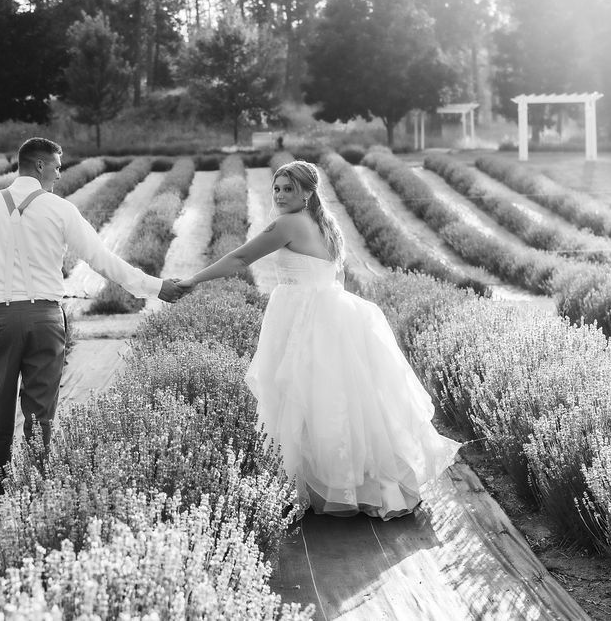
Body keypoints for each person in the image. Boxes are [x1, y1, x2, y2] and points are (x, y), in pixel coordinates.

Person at [177, 161, 460, 519]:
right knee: (336, 402)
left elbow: (242, 257)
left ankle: (311, 485)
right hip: (329, 313)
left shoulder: (289, 224)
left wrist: (191, 282)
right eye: (277, 188)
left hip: (303, 316)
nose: (279, 195)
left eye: (289, 189)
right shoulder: (325, 224)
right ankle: (356, 485)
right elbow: (332, 275)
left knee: (304, 399)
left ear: (307, 192)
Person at [0, 137, 186, 524]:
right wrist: (156, 287)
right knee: (39, 415)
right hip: (45, 320)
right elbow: (103, 260)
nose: (60, 173)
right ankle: (32, 500)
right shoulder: (60, 210)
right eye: (56, 166)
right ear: (37, 166)